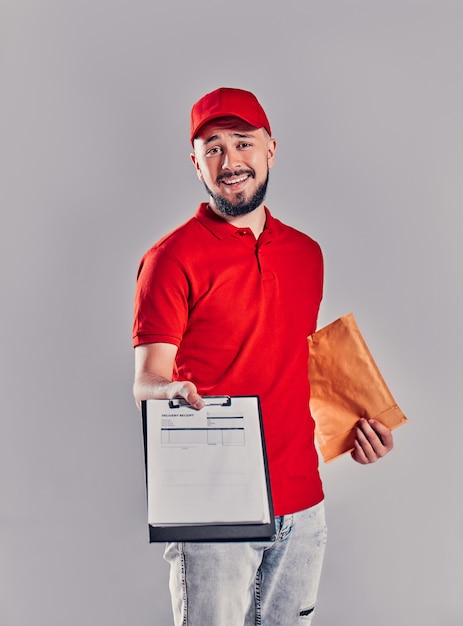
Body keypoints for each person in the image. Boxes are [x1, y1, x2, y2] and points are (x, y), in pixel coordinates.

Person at [132, 87, 394, 625]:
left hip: (303, 502)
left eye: (243, 143)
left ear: (270, 148)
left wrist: (357, 429)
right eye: (213, 148)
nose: (230, 162)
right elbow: (147, 380)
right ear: (196, 163)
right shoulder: (169, 258)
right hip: (215, 507)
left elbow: (300, 366)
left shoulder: (306, 253)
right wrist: (172, 393)